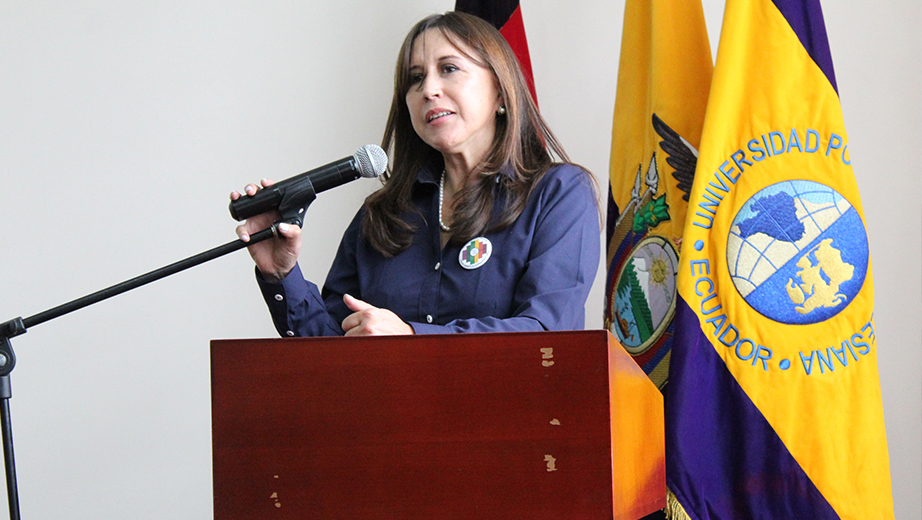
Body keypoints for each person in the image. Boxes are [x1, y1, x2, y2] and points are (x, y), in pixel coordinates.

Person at [231, 11, 600, 337]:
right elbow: (332, 352)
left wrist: (412, 335)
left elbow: (548, 330)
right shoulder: (382, 214)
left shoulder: (559, 193)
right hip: (385, 416)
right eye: (415, 78)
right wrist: (281, 274)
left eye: (449, 69)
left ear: (501, 91)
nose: (429, 90)